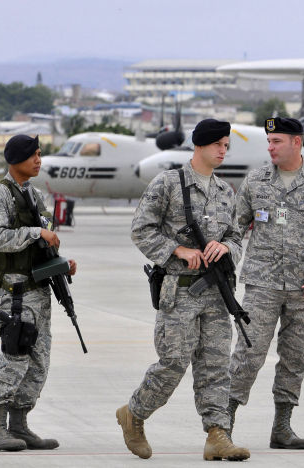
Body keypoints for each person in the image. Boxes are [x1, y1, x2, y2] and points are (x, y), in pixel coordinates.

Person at [115, 119, 250, 461]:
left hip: (217, 294)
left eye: (226, 145)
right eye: (219, 144)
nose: (223, 150)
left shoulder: (225, 191)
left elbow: (235, 236)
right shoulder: (169, 184)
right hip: (180, 291)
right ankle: (134, 413)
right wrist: (178, 250)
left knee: (216, 365)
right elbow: (141, 229)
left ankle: (217, 434)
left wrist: (227, 249)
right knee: (174, 361)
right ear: (200, 145)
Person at [227, 117, 304, 449]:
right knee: (248, 355)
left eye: (276, 141)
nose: (270, 147)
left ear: (296, 142)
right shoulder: (256, 181)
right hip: (261, 286)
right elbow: (235, 231)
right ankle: (224, 426)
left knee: (294, 358)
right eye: (269, 141)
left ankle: (282, 427)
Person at [0, 134, 77, 451]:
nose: (39, 160)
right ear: (16, 159)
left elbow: (41, 246)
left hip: (39, 291)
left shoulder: (35, 196)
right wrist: (37, 231)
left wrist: (62, 265)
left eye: (39, 154)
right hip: (14, 291)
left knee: (38, 362)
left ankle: (19, 425)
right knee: (15, 355)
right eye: (33, 155)